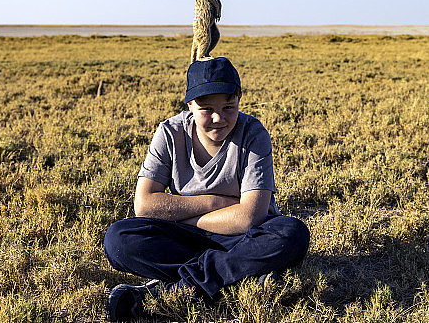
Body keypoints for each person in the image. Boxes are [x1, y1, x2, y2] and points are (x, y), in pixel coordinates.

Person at [103, 57, 310, 321]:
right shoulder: (169, 132)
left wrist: (184, 213)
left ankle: (174, 291)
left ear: (239, 99)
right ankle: (232, 277)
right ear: (189, 104)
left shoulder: (253, 133)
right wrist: (216, 203)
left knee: (290, 233)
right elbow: (144, 206)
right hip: (193, 238)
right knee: (119, 238)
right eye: (205, 109)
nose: (218, 118)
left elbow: (250, 217)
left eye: (228, 107)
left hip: (242, 238)